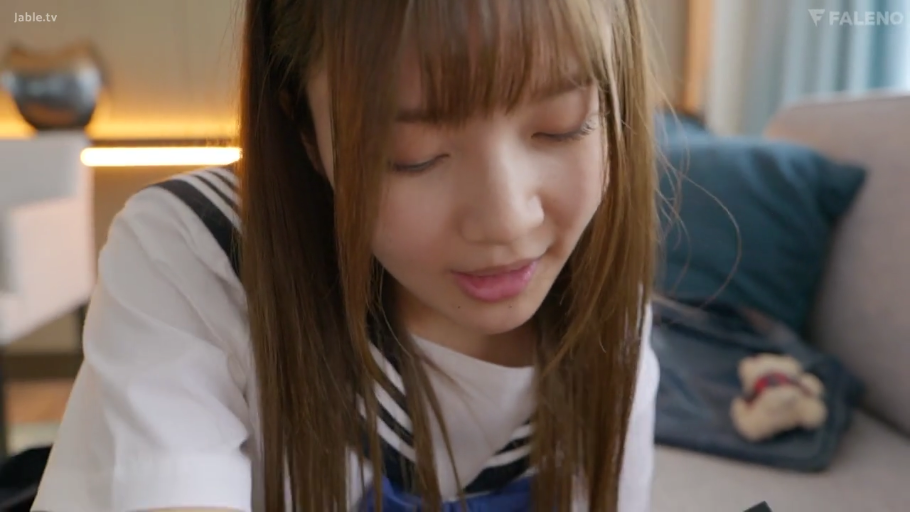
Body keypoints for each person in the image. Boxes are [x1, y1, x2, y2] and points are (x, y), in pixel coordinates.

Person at [33, 0, 660, 510]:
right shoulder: (199, 253)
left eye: (562, 124)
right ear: (305, 130)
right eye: (412, 155)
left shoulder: (610, 318)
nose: (506, 220)